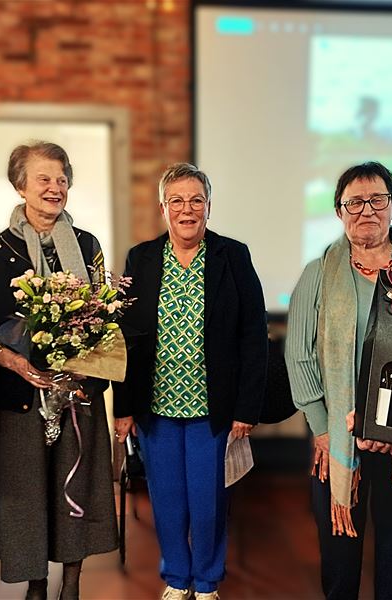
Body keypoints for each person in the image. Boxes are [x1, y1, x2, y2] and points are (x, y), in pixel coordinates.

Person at [0, 141, 118, 599]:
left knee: (77, 487)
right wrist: (12, 361)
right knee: (27, 494)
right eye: (43, 179)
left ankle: (71, 584)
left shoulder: (87, 246)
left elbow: (104, 319)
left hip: (77, 395)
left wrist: (87, 370)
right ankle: (35, 585)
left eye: (61, 179)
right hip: (17, 396)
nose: (55, 188)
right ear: (20, 186)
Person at [113, 163, 268, 600]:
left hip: (211, 409)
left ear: (208, 207)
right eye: (177, 201)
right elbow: (123, 339)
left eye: (196, 200)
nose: (187, 209)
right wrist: (123, 408)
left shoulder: (232, 256)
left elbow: (253, 336)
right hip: (156, 407)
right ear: (163, 208)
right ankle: (177, 578)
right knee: (166, 500)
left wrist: (246, 408)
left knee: (207, 501)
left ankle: (207, 581)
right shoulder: (141, 258)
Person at [285, 162, 392, 600]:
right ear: (339, 212)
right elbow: (299, 355)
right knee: (340, 556)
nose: (367, 210)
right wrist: (321, 427)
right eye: (354, 202)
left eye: (377, 199)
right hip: (338, 439)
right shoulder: (318, 273)